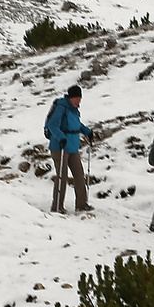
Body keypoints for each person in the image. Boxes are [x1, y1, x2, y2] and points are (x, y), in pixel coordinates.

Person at [45, 85, 95, 213]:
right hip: (59, 147)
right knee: (62, 176)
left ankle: (82, 204)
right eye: (76, 98)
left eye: (80, 98)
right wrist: (61, 137)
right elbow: (52, 125)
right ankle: (57, 206)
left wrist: (87, 132)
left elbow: (77, 125)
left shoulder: (74, 110)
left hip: (72, 146)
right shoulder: (62, 107)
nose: (78, 100)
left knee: (79, 175)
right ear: (71, 97)